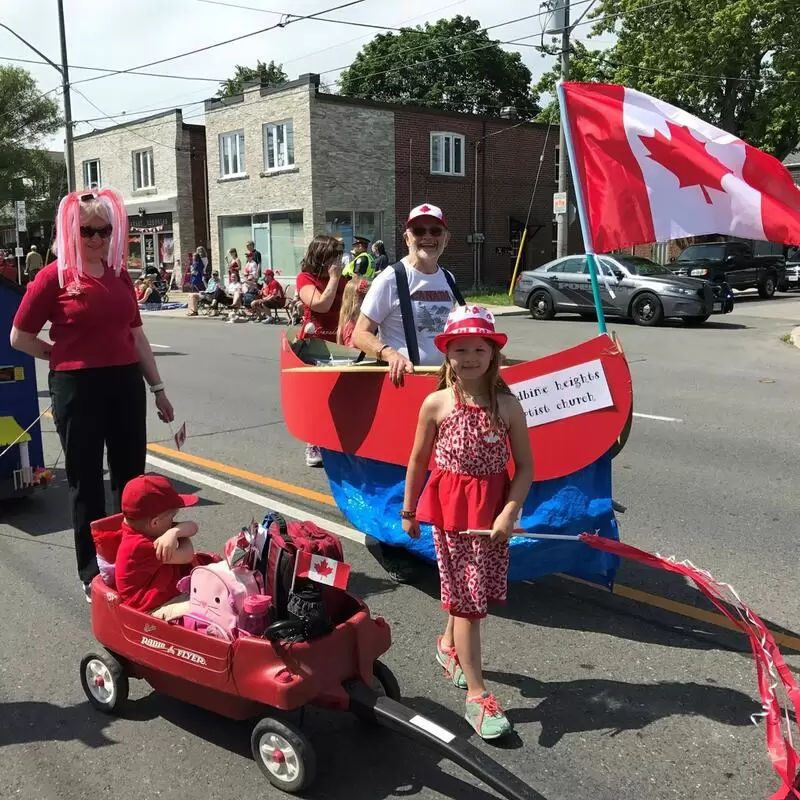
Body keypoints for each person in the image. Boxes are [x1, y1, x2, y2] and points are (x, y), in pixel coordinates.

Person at [10, 188, 175, 602]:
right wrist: (56, 354)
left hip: (124, 383)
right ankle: (92, 572)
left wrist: (158, 389)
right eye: (88, 231)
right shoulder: (54, 277)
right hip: (77, 388)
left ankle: (131, 560)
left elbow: (137, 336)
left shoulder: (119, 276)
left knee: (131, 481)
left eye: (105, 230)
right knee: (86, 483)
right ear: (71, 231)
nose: (97, 239)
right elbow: (19, 337)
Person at [401, 305, 532, 740]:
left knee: (469, 595)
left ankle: (447, 646)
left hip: (491, 520)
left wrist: (510, 511)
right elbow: (418, 460)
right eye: (461, 349)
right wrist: (408, 510)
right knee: (469, 606)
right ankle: (477, 694)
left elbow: (526, 469)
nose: (471, 356)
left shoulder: (510, 407)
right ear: (447, 355)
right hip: (452, 518)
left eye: (480, 348)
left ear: (493, 354)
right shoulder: (436, 403)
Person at [352, 203, 464, 583]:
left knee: (439, 468)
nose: (427, 238)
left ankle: (430, 539)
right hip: (407, 390)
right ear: (407, 237)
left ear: (446, 238)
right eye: (420, 232)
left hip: (445, 388)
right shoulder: (391, 277)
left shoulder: (448, 278)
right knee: (403, 469)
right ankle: (388, 541)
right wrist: (387, 352)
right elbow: (359, 333)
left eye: (435, 231)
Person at [114, 473, 199, 618]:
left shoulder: (149, 527)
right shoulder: (143, 546)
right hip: (151, 608)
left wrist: (174, 532)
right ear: (154, 522)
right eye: (172, 517)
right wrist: (177, 533)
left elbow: (193, 527)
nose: (174, 521)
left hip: (164, 593)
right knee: (207, 608)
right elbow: (187, 554)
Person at [295, 234, 347, 466]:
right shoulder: (305, 278)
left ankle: (337, 441)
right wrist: (335, 278)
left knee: (341, 397)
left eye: (339, 255)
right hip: (315, 344)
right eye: (333, 256)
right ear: (321, 257)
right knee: (318, 397)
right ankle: (313, 443)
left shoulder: (342, 279)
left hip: (341, 345)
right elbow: (321, 304)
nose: (337, 261)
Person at [337, 278, 369, 347]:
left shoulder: (355, 322)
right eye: (362, 298)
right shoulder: (351, 325)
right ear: (353, 301)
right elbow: (352, 349)